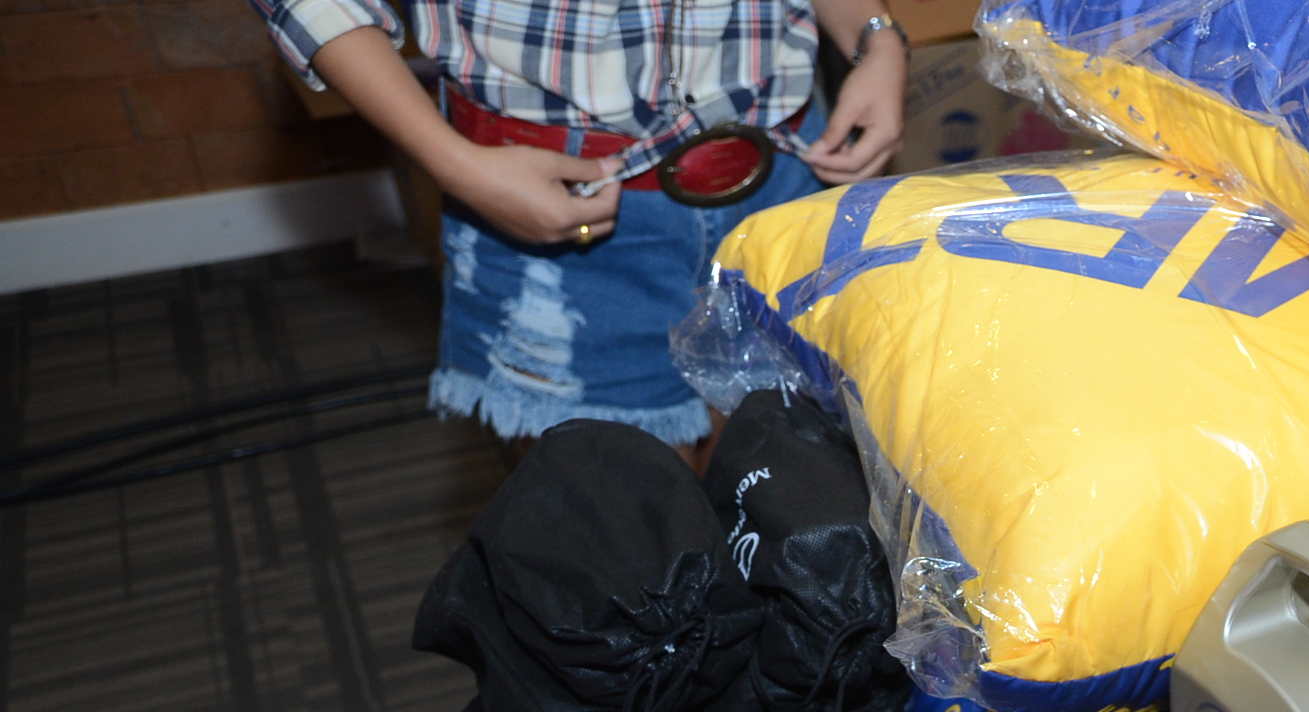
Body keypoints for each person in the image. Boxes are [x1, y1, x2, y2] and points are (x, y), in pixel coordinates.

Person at [249, 0, 910, 446]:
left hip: (787, 180)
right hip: (556, 214)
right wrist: (451, 163)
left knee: (780, 503)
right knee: (623, 547)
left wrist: (876, 37)